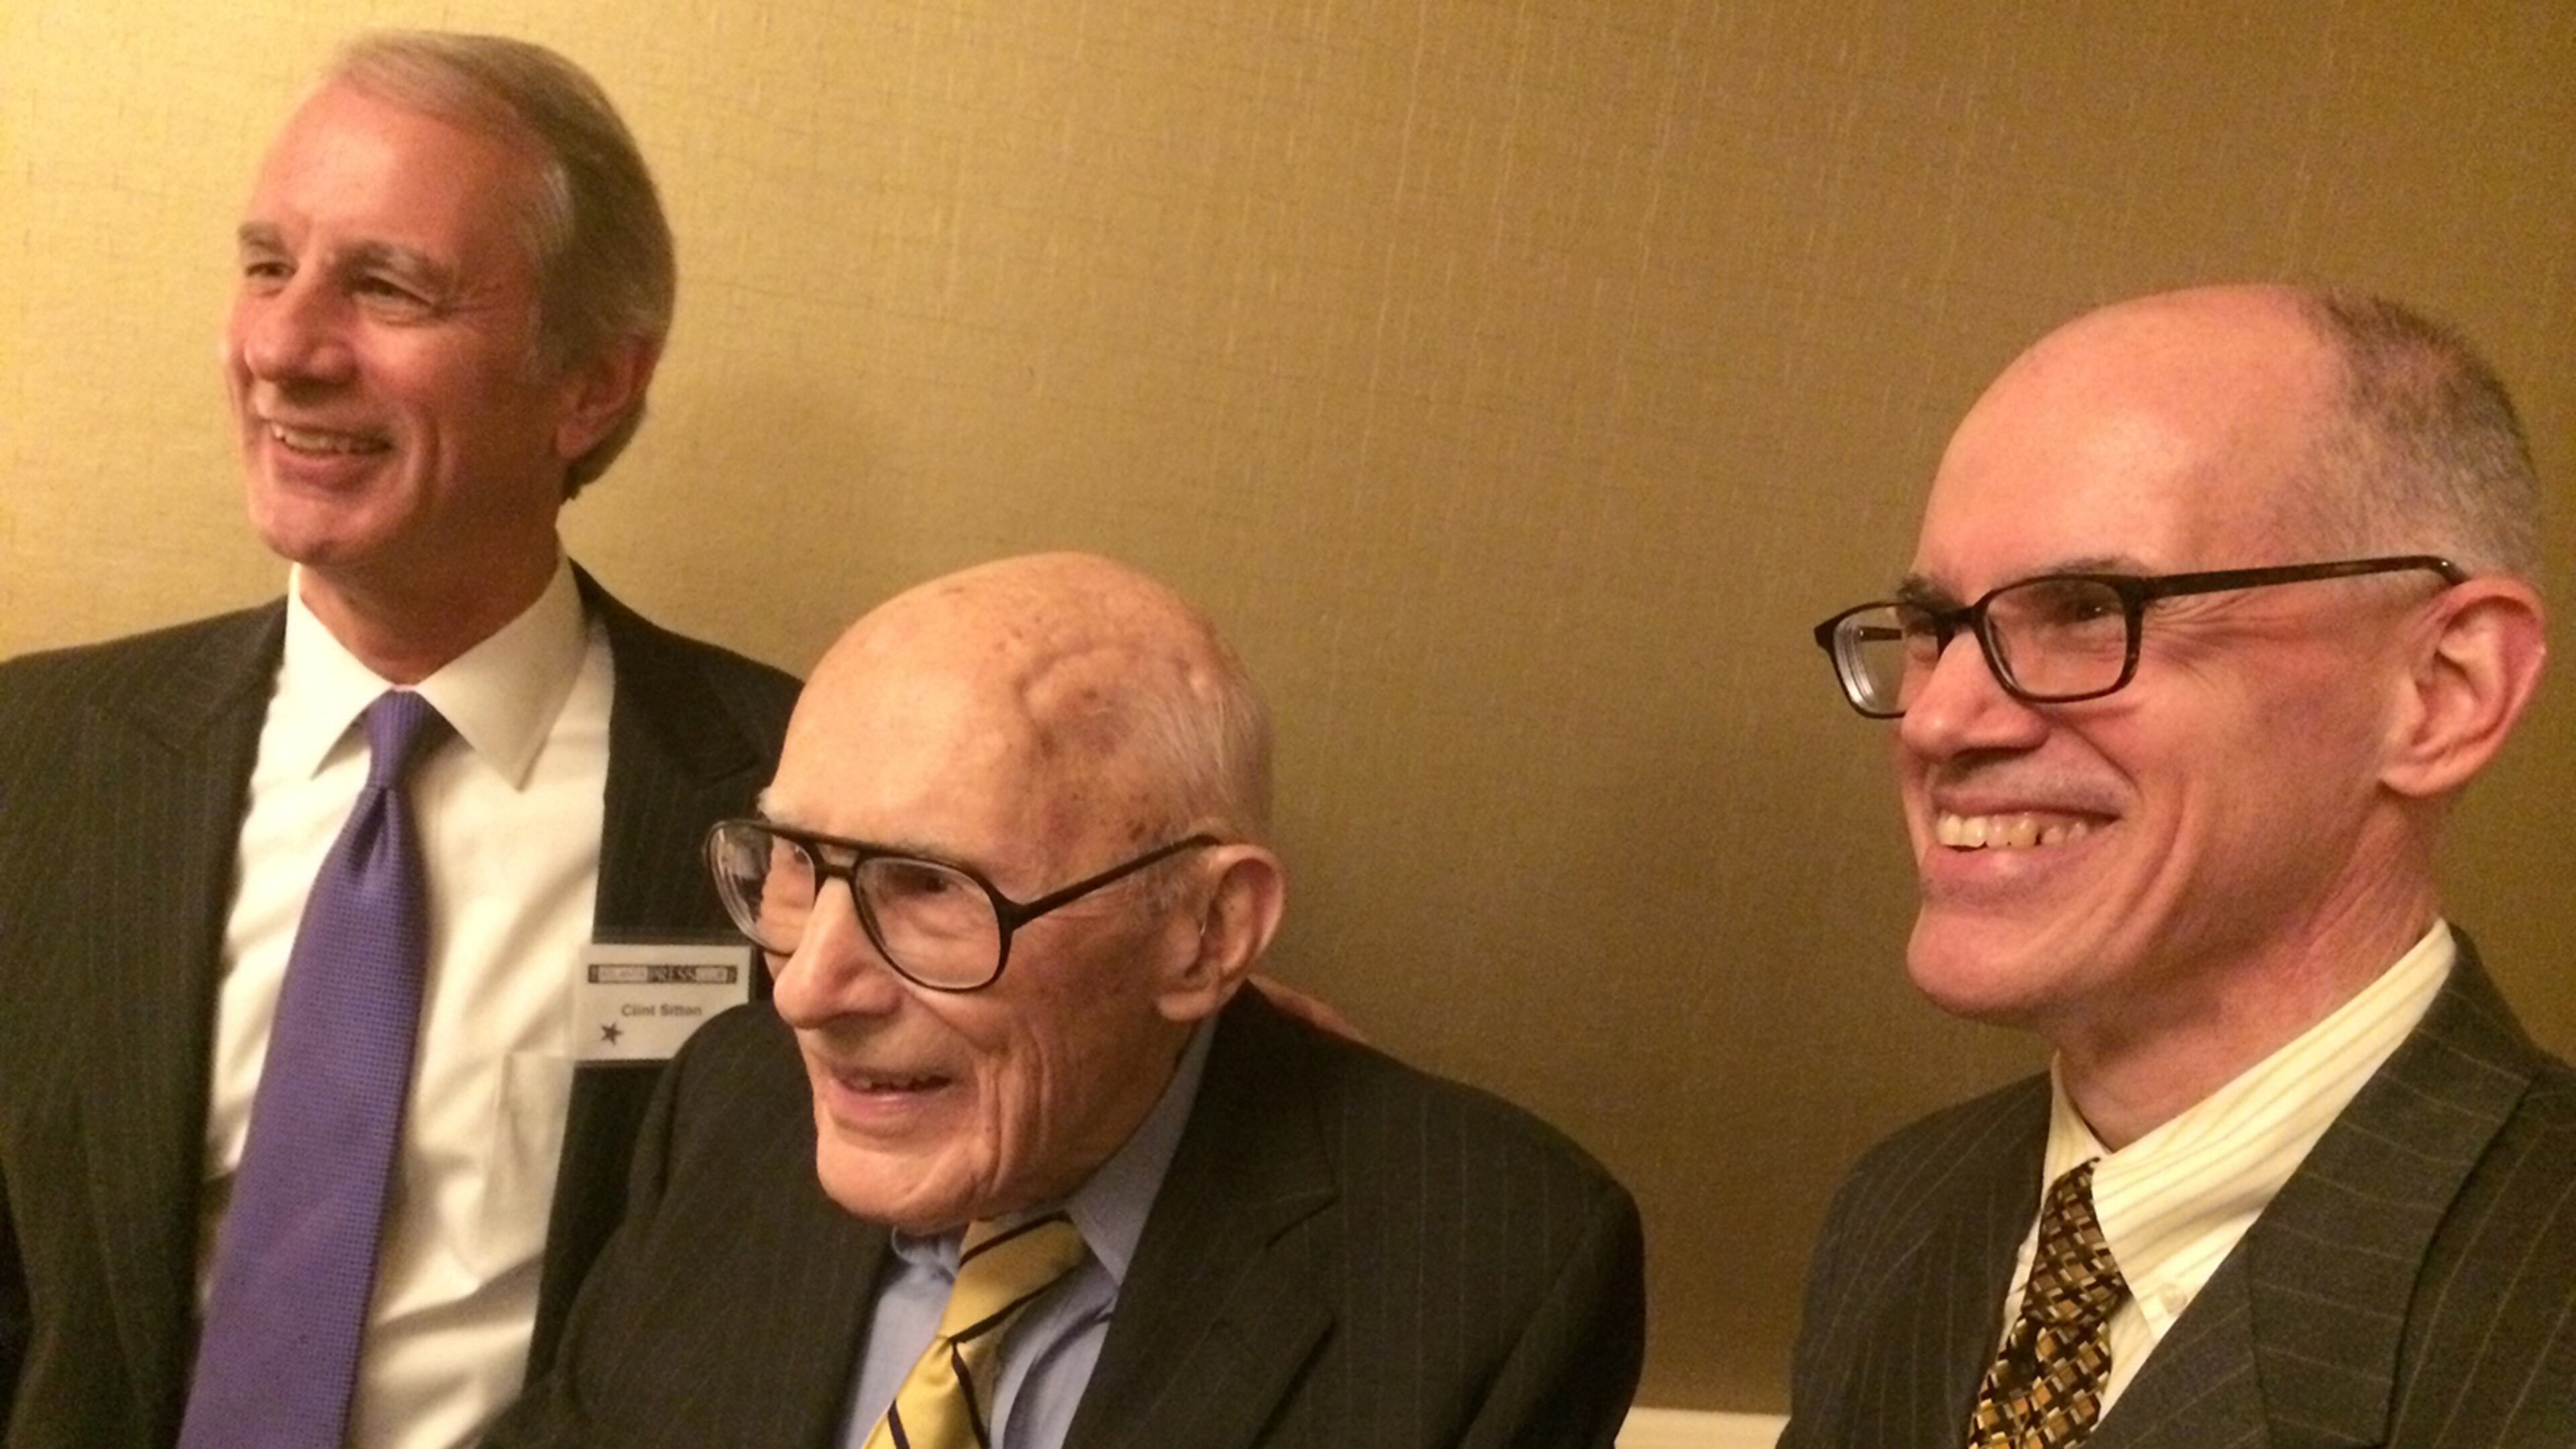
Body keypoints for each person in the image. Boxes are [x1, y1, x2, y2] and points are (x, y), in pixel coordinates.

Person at [0, 32, 798, 1449]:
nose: (286, 349)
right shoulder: (33, 760)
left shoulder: (792, 801)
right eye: (266, 266)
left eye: (385, 286)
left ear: (592, 384)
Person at [482, 551, 1647, 1448]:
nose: (808, 991)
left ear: (1205, 934)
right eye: (794, 861)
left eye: (929, 888)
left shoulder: (1490, 1270)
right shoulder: (729, 1105)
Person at [1788, 284, 2569, 1447]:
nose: (1941, 719)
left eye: (2092, 610)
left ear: (2443, 695)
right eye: (1938, 628)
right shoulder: (1905, 1207)